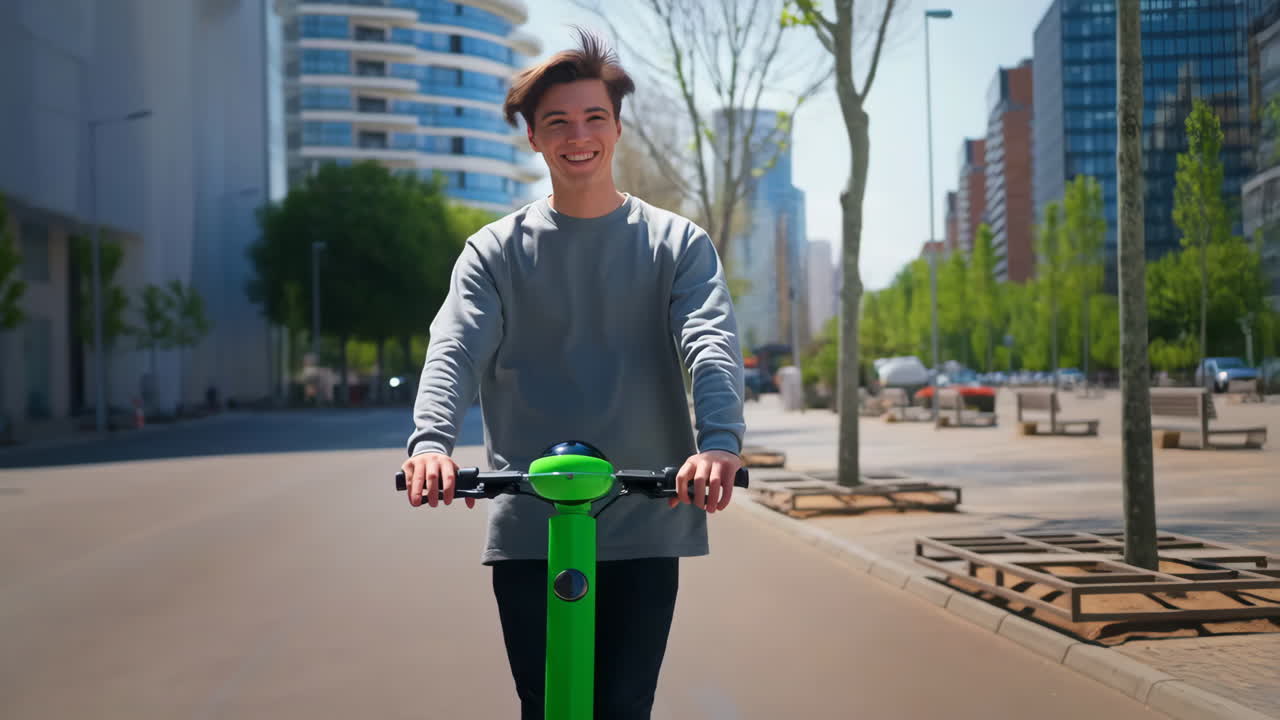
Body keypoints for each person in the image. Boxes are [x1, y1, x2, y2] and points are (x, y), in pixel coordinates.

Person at [401, 28, 746, 720]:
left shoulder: (677, 245)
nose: (577, 135)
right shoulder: (493, 252)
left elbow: (709, 341)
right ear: (533, 138)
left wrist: (718, 444)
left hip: (648, 519)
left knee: (623, 706)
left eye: (594, 117)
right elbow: (455, 346)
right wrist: (431, 444)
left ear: (616, 128)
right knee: (548, 704)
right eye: (556, 121)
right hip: (532, 525)